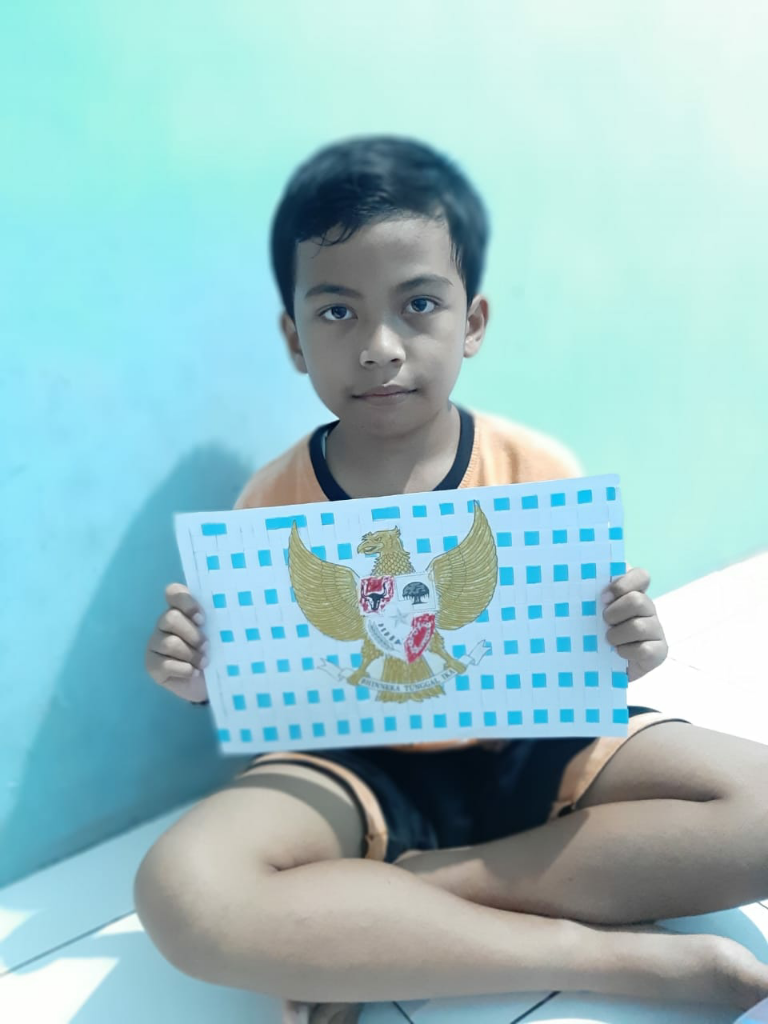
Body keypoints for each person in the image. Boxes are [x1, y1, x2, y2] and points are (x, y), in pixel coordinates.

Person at [135, 135, 768, 1023]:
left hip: (536, 743)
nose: (379, 347)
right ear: (294, 339)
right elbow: (264, 681)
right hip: (353, 768)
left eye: (418, 304)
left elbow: (595, 656)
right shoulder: (268, 506)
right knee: (182, 889)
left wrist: (629, 644)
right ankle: (602, 956)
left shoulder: (535, 472)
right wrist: (201, 675)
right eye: (337, 311)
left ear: (471, 323)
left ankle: (377, 911)